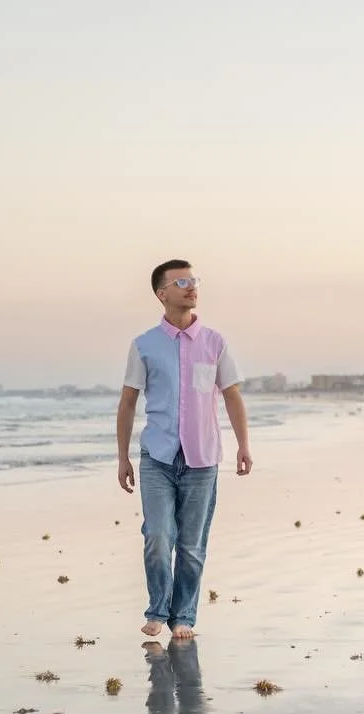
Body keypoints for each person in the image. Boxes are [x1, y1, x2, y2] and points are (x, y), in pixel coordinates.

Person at [116, 259, 252, 679]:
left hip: (202, 459)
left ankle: (183, 617)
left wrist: (244, 445)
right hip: (157, 456)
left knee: (191, 545)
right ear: (162, 293)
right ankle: (157, 609)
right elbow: (127, 402)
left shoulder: (215, 342)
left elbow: (231, 396)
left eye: (194, 280)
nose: (192, 287)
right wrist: (122, 457)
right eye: (181, 281)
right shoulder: (144, 345)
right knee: (158, 535)